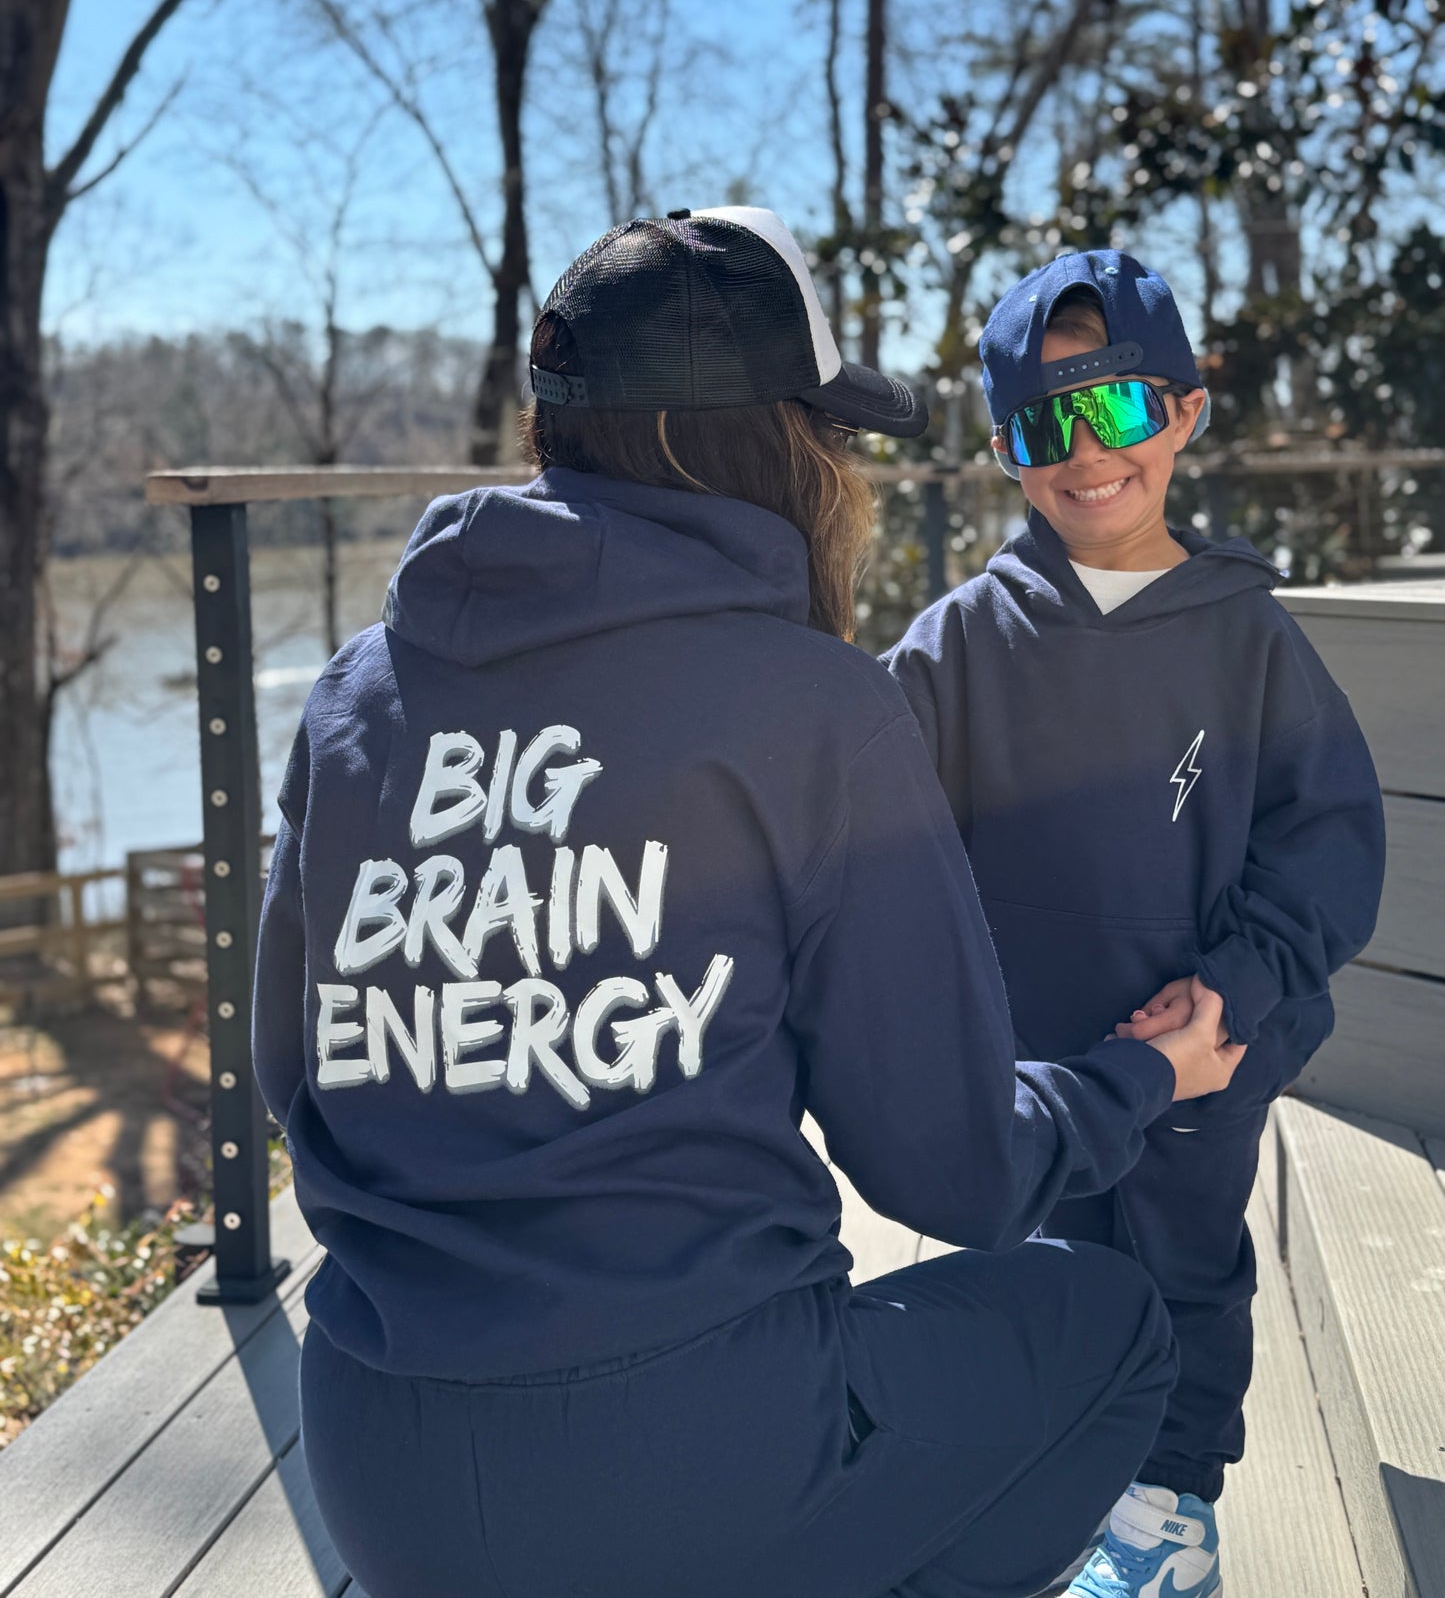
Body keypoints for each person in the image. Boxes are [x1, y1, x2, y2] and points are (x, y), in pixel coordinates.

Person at [253, 209, 1244, 1598]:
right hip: (691, 1462)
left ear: (551, 429)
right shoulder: (814, 711)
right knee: (1111, 1326)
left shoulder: (357, 691)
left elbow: (289, 1074)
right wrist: (1136, 1078)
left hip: (375, 1464)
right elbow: (953, 1173)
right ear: (783, 448)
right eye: (828, 435)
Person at [886, 249, 1386, 1598]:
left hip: (1201, 1055)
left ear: (1181, 412)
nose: (1086, 455)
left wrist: (1235, 990)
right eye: (1047, 424)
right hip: (1032, 1064)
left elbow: (1326, 840)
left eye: (1115, 412)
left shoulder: (1246, 635)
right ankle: (1040, 1498)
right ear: (1005, 447)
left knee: (1181, 1273)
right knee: (1035, 1280)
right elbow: (862, 831)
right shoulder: (953, 648)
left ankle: (1165, 1519)